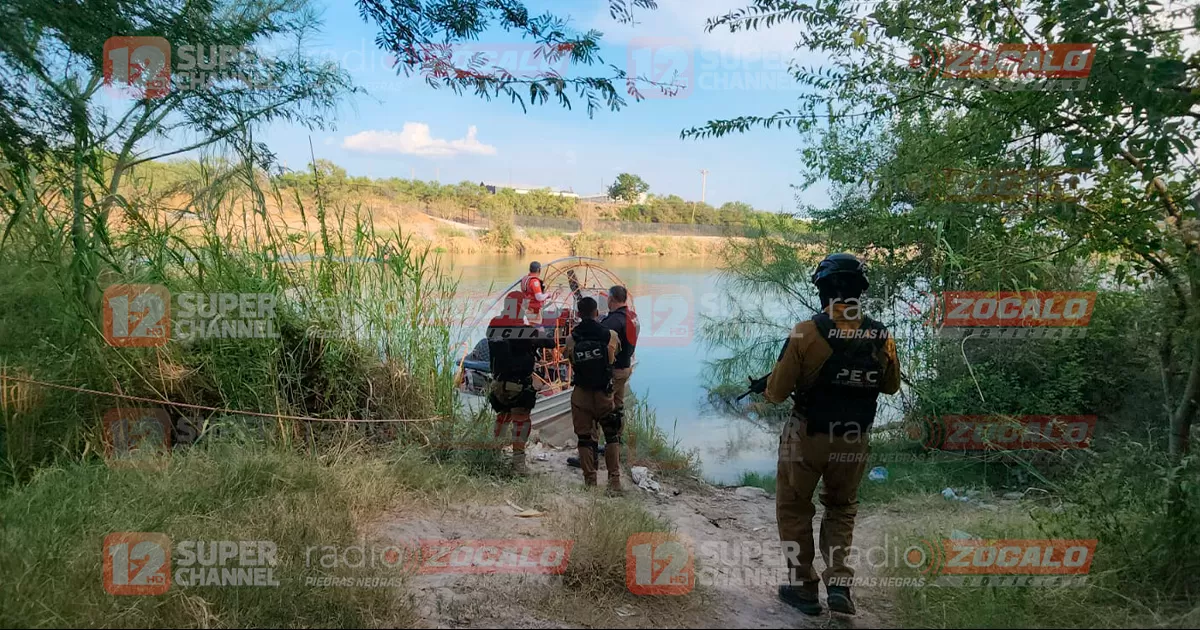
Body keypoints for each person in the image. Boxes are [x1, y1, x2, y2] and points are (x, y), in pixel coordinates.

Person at [763, 253, 900, 616]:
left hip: (808, 434)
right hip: (855, 438)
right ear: (860, 292)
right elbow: (890, 386)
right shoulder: (881, 335)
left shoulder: (805, 332)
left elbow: (776, 392)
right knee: (841, 508)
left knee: (794, 508)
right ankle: (839, 583)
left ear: (823, 289)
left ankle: (804, 587)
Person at [486, 291, 556, 475]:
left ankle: (494, 454)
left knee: (502, 416)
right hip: (517, 387)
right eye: (523, 306)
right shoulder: (523, 330)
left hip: (498, 383)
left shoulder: (493, 325)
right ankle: (518, 465)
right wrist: (537, 332)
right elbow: (550, 343)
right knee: (521, 422)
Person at [565, 296, 622, 493]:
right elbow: (614, 357)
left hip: (581, 394)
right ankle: (614, 482)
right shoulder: (610, 335)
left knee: (584, 438)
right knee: (612, 435)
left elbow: (569, 357)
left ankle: (590, 482)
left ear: (579, 314)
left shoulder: (572, 338)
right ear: (597, 313)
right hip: (604, 394)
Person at [600, 285, 638, 435]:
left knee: (600, 406)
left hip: (614, 370)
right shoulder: (633, 316)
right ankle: (617, 439)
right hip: (626, 366)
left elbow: (600, 340)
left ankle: (595, 447)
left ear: (611, 299)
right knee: (618, 405)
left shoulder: (614, 321)